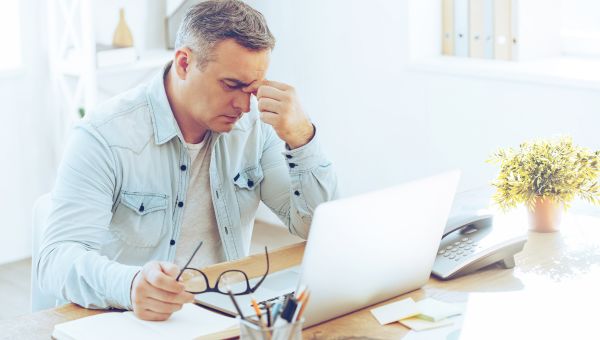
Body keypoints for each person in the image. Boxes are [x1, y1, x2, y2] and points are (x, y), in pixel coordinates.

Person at [38, 0, 338, 321]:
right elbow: (55, 260)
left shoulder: (254, 128)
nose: (244, 106)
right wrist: (130, 285)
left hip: (226, 314)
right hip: (135, 319)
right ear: (184, 62)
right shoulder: (103, 136)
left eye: (253, 89)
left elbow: (312, 226)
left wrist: (301, 138)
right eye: (231, 85)